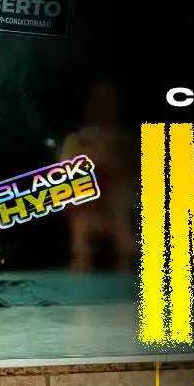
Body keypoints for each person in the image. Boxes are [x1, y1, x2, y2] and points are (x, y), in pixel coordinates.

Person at [60, 79, 139, 273]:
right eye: (99, 101)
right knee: (81, 223)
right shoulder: (78, 140)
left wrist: (115, 166)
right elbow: (63, 173)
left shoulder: (127, 141)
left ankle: (126, 257)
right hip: (88, 206)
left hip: (120, 206)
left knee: (122, 210)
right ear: (90, 106)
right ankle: (82, 261)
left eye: (109, 102)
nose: (105, 107)